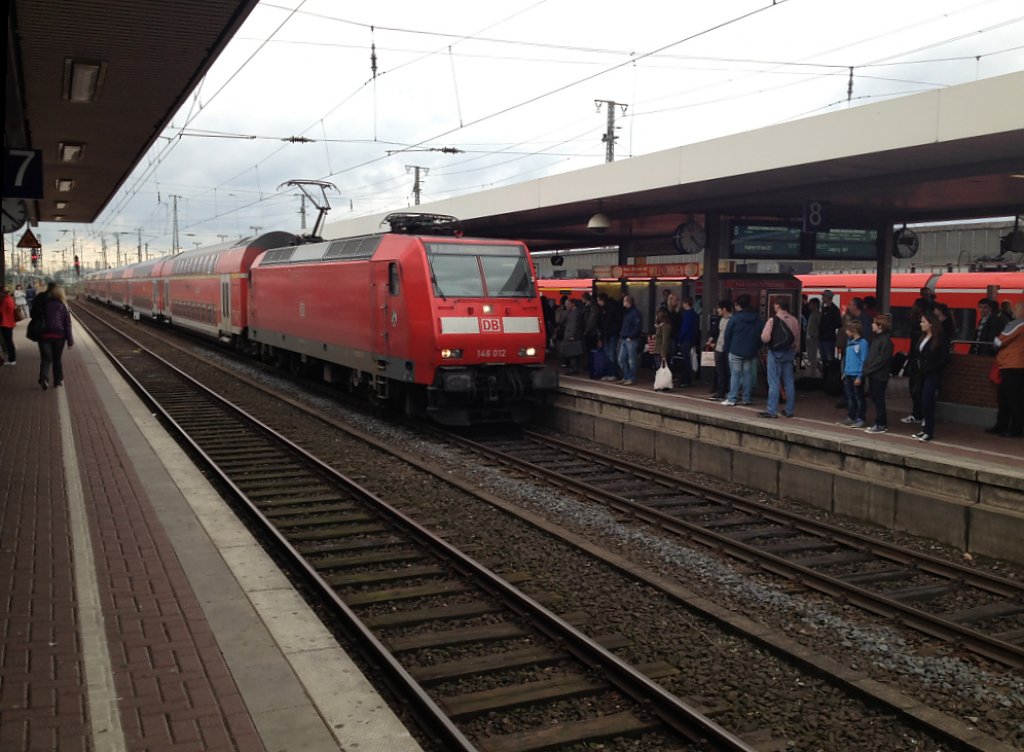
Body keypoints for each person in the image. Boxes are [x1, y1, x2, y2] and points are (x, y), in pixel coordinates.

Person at [986, 301, 1024, 438]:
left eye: (1016, 308)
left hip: (1011, 365)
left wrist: (995, 341)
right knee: (1012, 397)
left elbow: (999, 341)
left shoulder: (1019, 324)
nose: (1013, 311)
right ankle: (1006, 426)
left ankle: (1013, 428)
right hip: (1017, 365)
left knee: (1009, 398)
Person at [758, 298, 800, 418]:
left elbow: (765, 338)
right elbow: (796, 338)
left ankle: (771, 410)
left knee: (774, 382)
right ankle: (789, 410)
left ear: (777, 306)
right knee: (788, 381)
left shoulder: (773, 320)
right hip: (789, 353)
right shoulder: (794, 320)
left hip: (775, 353)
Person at [913, 312, 950, 442]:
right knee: (922, 400)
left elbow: (945, 358)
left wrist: (931, 366)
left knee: (927, 401)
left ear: (931, 324)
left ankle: (929, 430)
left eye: (923, 322)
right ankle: (924, 429)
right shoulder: (923, 337)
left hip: (933, 373)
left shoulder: (939, 338)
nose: (921, 324)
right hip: (922, 373)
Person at [721, 294, 762, 407]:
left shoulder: (735, 318)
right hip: (750, 351)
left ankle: (732, 398)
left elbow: (727, 334)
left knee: (735, 374)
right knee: (747, 374)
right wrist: (757, 347)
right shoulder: (757, 318)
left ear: (738, 305)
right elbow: (761, 334)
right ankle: (746, 398)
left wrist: (727, 348)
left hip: (736, 350)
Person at [37, 284, 75, 390]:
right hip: (59, 336)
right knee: (57, 359)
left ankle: (44, 378)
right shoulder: (63, 306)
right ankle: (57, 380)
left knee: (45, 358)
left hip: (44, 335)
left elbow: (36, 318)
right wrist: (70, 341)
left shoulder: (43, 304)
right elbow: (68, 324)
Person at [901, 298, 930, 425]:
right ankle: (917, 413)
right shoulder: (915, 325)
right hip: (915, 360)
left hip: (919, 362)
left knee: (919, 389)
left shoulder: (921, 329)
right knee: (915, 388)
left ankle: (921, 414)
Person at [862, 316, 894, 433]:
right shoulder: (877, 339)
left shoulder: (885, 341)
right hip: (874, 374)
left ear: (880, 326)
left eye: (874, 323)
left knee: (879, 399)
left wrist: (868, 369)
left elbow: (882, 359)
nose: (872, 325)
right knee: (875, 398)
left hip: (879, 375)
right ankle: (879, 422)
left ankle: (881, 423)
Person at [841, 320, 868, 428]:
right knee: (850, 396)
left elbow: (863, 360)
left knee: (859, 397)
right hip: (849, 373)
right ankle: (851, 416)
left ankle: (860, 417)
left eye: (848, 330)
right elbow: (847, 358)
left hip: (856, 374)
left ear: (854, 330)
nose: (846, 332)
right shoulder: (849, 342)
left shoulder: (863, 343)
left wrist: (860, 375)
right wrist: (845, 371)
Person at [706, 300, 731, 400]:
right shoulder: (719, 319)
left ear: (724, 309)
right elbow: (715, 332)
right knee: (719, 371)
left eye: (719, 308)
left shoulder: (732, 319)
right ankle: (720, 391)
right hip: (719, 347)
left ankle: (728, 390)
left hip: (728, 348)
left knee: (728, 371)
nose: (717, 310)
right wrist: (710, 341)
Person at [597, 293, 623, 381]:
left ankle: (614, 373)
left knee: (611, 354)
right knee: (609, 354)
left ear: (601, 300)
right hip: (609, 333)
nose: (597, 302)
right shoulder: (606, 308)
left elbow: (606, 323)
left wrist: (601, 335)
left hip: (610, 333)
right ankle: (612, 373)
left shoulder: (608, 308)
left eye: (598, 300)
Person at [617, 294, 642, 386]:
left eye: (624, 301)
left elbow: (637, 326)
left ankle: (632, 378)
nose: (623, 303)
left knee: (632, 360)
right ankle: (626, 376)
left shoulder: (635, 313)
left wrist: (631, 336)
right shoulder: (627, 312)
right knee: (621, 359)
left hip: (631, 339)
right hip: (624, 338)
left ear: (628, 302)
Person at [674, 296, 699, 387]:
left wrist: (679, 338)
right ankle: (688, 379)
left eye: (683, 303)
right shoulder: (695, 315)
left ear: (686, 304)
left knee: (686, 361)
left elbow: (684, 328)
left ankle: (685, 380)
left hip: (685, 340)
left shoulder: (686, 315)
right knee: (688, 360)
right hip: (691, 339)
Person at [559, 298, 584, 375]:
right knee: (573, 352)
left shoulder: (574, 313)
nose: (567, 306)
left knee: (572, 352)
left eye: (568, 304)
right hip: (572, 334)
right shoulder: (573, 312)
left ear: (573, 304)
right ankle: (574, 368)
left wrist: (573, 335)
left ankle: (574, 368)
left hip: (572, 335)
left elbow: (574, 325)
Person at [818, 290, 842, 365]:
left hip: (829, 338)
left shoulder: (834, 309)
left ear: (828, 298)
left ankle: (830, 373)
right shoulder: (823, 309)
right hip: (822, 337)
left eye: (823, 297)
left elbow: (839, 323)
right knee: (823, 358)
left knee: (829, 359)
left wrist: (828, 327)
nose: (822, 299)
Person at [652, 308, 673, 391]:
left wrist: (663, 354)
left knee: (661, 368)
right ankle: (660, 384)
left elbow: (665, 340)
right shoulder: (661, 326)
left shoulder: (666, 326)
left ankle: (664, 385)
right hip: (657, 350)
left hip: (660, 350)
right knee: (659, 369)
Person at [804, 298, 821, 378]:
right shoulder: (812, 313)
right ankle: (812, 371)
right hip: (809, 337)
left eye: (811, 304)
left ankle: (812, 372)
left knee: (813, 356)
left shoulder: (817, 314)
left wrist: (814, 335)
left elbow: (818, 326)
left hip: (812, 338)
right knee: (811, 355)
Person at [1, 286, 17, 365]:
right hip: (10, 322)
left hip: (5, 323)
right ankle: (12, 358)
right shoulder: (10, 299)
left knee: (8, 342)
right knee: (9, 341)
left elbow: (1, 311)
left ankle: (12, 359)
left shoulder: (5, 300)